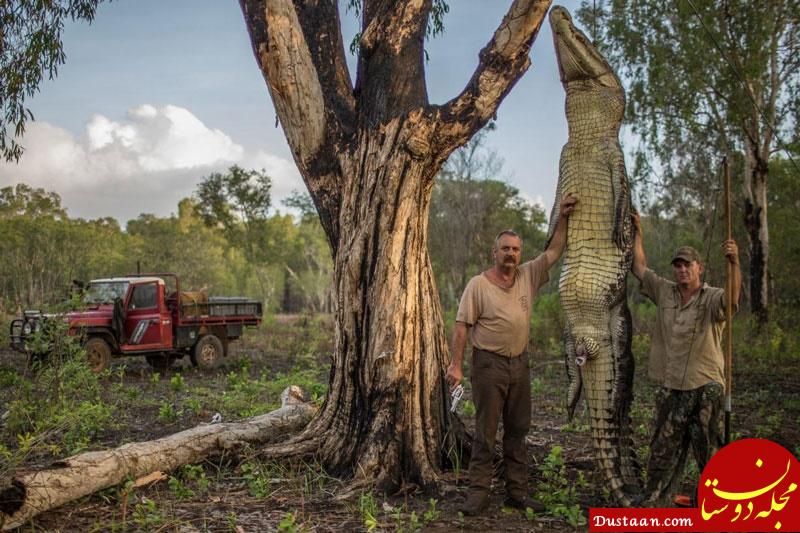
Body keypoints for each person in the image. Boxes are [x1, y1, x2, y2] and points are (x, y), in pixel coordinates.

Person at [446, 193, 578, 515]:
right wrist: (455, 365)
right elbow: (462, 325)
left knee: (518, 430)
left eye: (516, 249)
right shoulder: (478, 285)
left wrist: (561, 217)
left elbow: (555, 251)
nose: (511, 254)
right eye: (505, 248)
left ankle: (517, 494)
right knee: (486, 432)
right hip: (488, 365)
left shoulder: (527, 276)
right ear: (495, 252)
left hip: (519, 364)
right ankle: (478, 495)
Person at [630, 213, 741, 506]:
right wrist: (638, 233)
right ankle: (656, 500)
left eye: (687, 265)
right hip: (671, 386)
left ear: (699, 268)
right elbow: (639, 267)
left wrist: (734, 263)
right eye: (677, 265)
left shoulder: (712, 297)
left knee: (709, 451)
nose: (681, 270)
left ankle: (719, 503)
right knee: (662, 450)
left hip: (706, 387)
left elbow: (731, 302)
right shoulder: (664, 291)